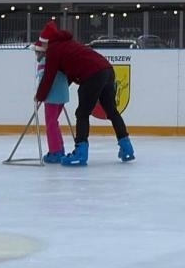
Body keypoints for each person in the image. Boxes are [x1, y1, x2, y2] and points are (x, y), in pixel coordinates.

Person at [34, 20, 135, 166]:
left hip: (92, 75)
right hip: (107, 70)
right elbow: (69, 72)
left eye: (42, 43)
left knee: (82, 113)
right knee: (112, 111)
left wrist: (40, 96)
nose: (42, 46)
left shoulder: (54, 50)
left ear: (47, 42)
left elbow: (49, 77)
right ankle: (127, 148)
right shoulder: (67, 44)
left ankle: (80, 153)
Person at [33, 29, 71, 164]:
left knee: (50, 123)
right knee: (54, 122)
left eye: (36, 52)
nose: (36, 55)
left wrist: (39, 95)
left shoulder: (45, 60)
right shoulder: (54, 58)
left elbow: (45, 78)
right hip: (61, 95)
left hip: (52, 96)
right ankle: (59, 148)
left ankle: (55, 151)